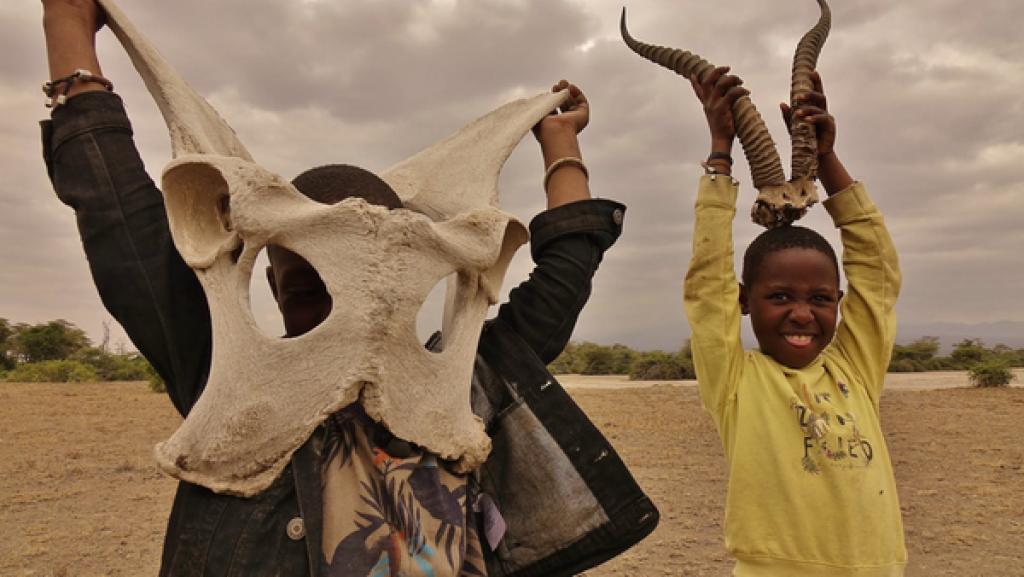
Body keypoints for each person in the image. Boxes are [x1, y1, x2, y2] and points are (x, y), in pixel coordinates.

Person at [39, 1, 657, 575]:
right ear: (273, 290)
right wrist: (68, 34)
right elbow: (124, 224)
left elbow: (564, 273)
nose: (347, 311)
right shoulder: (231, 389)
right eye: (312, 286)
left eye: (375, 283)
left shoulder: (464, 385)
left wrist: (561, 142)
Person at [683, 65, 907, 576]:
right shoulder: (736, 380)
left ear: (839, 302)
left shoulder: (855, 367)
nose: (802, 313)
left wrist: (827, 161)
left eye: (821, 299)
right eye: (780, 296)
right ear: (743, 301)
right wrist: (720, 153)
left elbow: (876, 270)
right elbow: (706, 282)